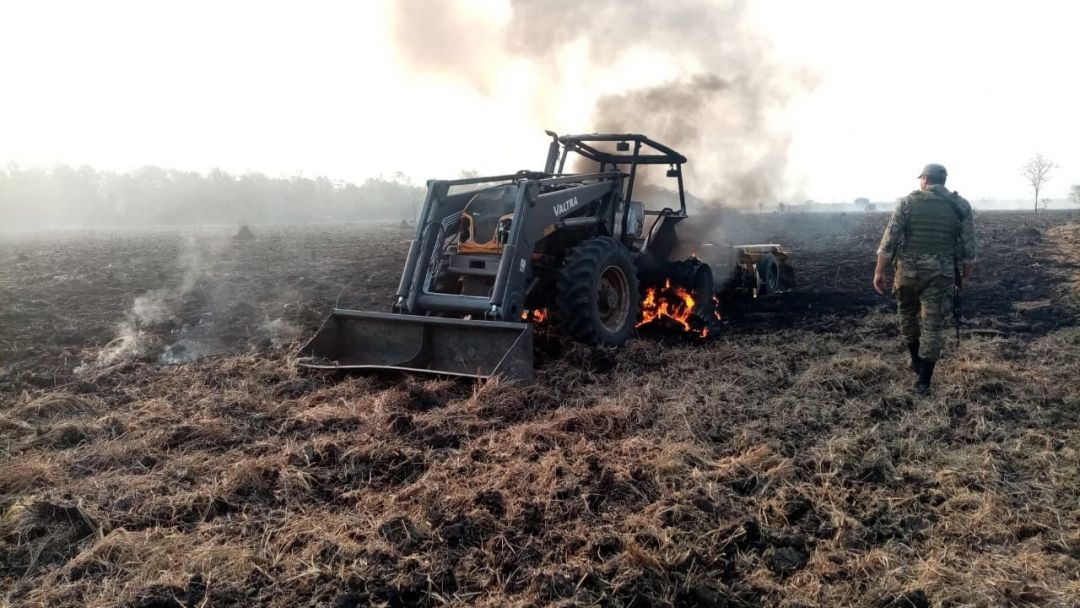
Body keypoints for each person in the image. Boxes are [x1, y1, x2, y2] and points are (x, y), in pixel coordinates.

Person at [873, 163, 978, 394]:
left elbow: (889, 240)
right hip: (941, 274)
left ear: (924, 180)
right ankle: (924, 381)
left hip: (908, 273)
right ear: (943, 181)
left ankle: (916, 361)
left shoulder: (908, 202)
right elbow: (969, 247)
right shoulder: (961, 205)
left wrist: (879, 271)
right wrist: (965, 276)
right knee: (932, 326)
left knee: (907, 316)